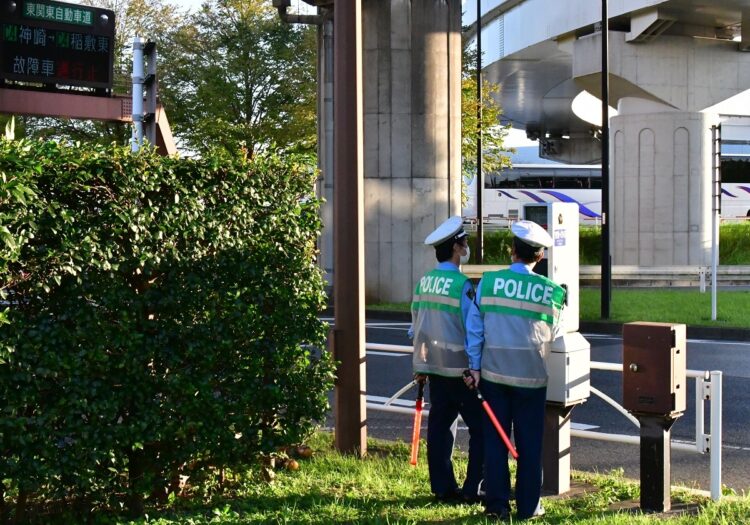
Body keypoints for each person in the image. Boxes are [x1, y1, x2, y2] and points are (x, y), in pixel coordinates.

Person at [466, 220, 566, 520]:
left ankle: (496, 506)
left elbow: (475, 328)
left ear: (512, 251)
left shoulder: (488, 282)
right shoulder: (552, 292)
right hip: (531, 380)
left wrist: (474, 367)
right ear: (540, 257)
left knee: (496, 442)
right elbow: (556, 331)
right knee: (530, 444)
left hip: (494, 376)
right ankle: (528, 507)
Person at [410, 216, 484, 504]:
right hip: (462, 370)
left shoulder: (424, 282)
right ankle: (472, 489)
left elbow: (415, 327)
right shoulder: (462, 285)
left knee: (440, 431)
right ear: (456, 247)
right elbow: (472, 329)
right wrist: (476, 367)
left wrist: (420, 364)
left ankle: (442, 488)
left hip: (433, 368)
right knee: (480, 431)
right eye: (464, 241)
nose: (466, 245)